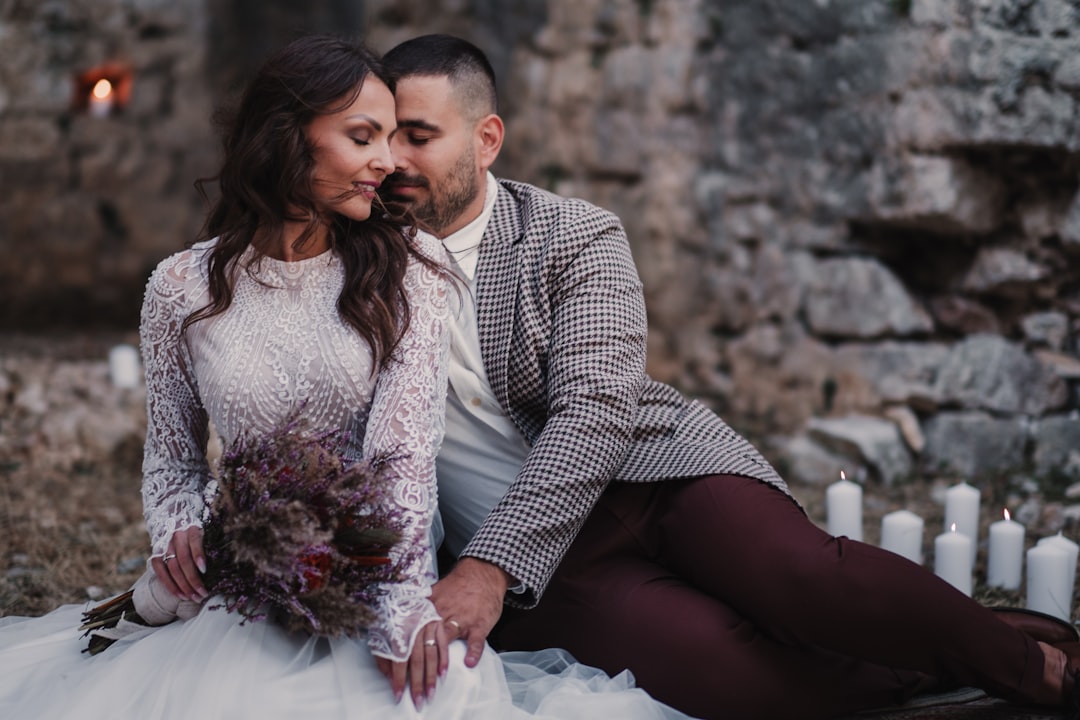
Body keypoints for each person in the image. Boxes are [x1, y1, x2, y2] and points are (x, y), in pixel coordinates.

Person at [379, 33, 1080, 720]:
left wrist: (488, 569)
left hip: (653, 475)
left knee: (807, 580)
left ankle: (1040, 673)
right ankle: (948, 652)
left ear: (487, 139)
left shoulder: (573, 235)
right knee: (725, 673)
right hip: (553, 571)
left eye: (419, 135)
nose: (395, 159)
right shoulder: (358, 262)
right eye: (385, 137)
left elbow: (595, 409)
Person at [0, 35, 690, 720]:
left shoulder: (409, 268)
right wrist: (174, 530)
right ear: (289, 140)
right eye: (364, 138)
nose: (388, 164)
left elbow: (405, 459)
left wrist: (396, 605)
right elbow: (173, 459)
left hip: (378, 576)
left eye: (394, 138)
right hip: (240, 582)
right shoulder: (179, 288)